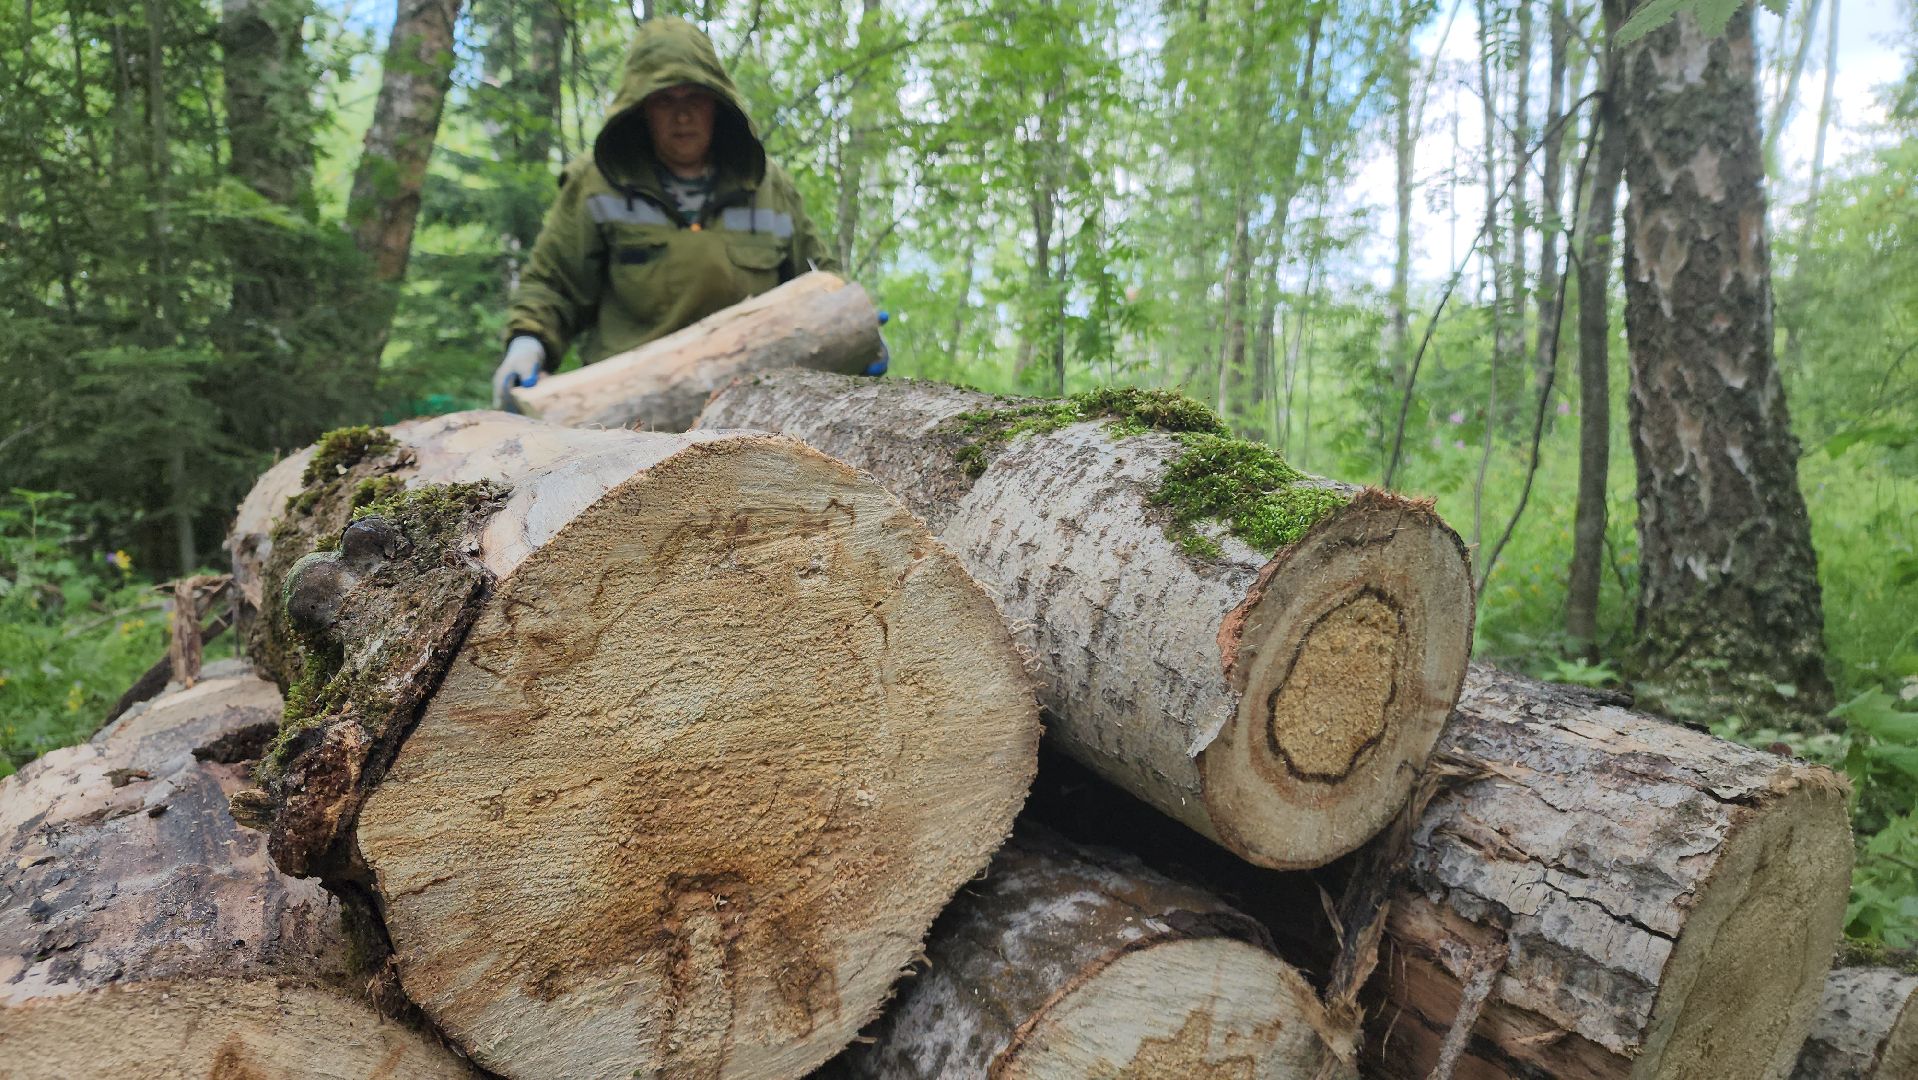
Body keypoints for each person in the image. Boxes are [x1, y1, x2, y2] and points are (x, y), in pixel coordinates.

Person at [493, 17, 835, 408]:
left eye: (695, 99)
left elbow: (819, 282)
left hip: (753, 409)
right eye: (665, 100)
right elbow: (554, 286)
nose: (683, 116)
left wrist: (856, 332)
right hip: (623, 412)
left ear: (718, 105)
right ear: (642, 109)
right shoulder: (596, 183)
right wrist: (526, 345)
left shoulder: (770, 188)